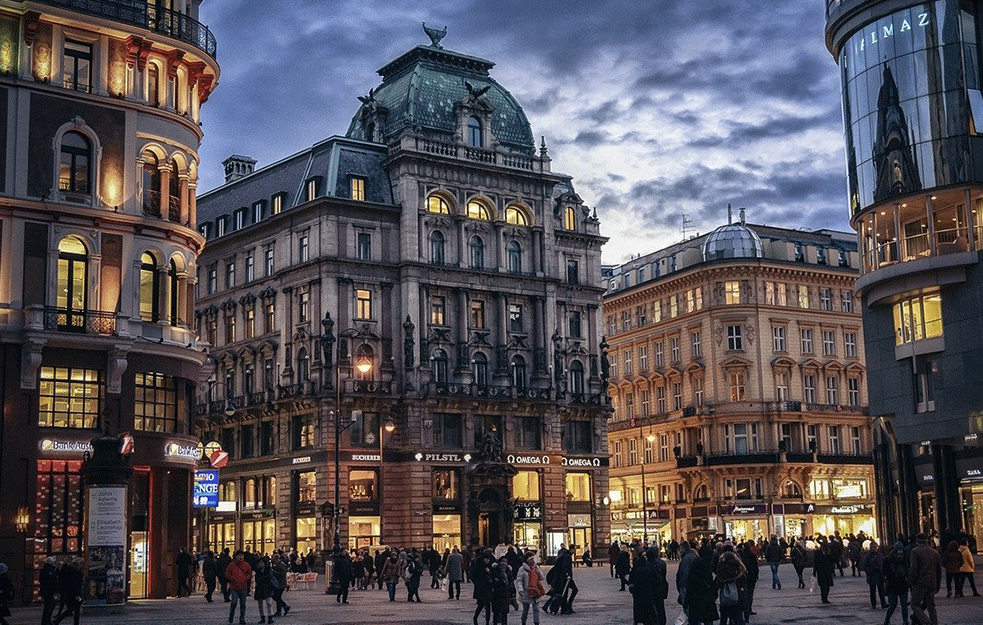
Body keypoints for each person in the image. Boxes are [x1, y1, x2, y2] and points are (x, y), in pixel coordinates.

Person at [909, 533, 941, 625]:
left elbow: (913, 568)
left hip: (920, 583)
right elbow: (938, 570)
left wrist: (912, 581)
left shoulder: (915, 551)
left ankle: (926, 622)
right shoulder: (934, 552)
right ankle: (934, 623)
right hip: (931, 582)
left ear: (917, 541)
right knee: (931, 606)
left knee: (915, 604)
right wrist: (937, 584)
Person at [714, 545, 746, 625]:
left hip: (724, 598)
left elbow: (717, 581)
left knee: (723, 619)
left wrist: (715, 594)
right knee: (739, 617)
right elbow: (743, 578)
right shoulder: (736, 565)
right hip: (736, 596)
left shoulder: (721, 565)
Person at [684, 556, 718, 625]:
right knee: (708, 619)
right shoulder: (707, 575)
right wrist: (715, 595)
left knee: (695, 620)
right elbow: (713, 586)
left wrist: (686, 603)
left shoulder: (692, 577)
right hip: (707, 601)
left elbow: (689, 591)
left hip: (695, 602)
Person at [883, 542, 910, 625]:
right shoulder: (889, 559)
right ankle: (888, 619)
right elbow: (885, 571)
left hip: (898, 584)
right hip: (895, 584)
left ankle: (904, 621)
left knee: (901, 605)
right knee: (895, 605)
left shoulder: (905, 558)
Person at [51, 558, 84, 625]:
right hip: (74, 593)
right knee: (72, 609)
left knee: (73, 609)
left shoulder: (70, 570)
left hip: (70, 592)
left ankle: (58, 620)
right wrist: (78, 594)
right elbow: (75, 583)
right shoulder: (75, 571)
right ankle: (58, 620)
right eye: (82, 563)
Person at [515, 552, 545, 625]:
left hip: (536, 591)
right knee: (525, 609)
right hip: (526, 592)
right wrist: (520, 590)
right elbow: (519, 580)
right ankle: (523, 621)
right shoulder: (522, 569)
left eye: (533, 558)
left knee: (536, 609)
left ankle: (536, 622)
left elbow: (541, 578)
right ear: (527, 560)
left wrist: (539, 572)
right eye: (531, 559)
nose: (533, 560)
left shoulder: (536, 567)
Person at [627, 548, 654, 625]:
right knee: (647, 607)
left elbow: (631, 579)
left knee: (637, 607)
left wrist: (631, 587)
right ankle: (646, 620)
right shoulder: (648, 569)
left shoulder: (636, 569)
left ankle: (637, 620)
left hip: (637, 592)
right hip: (647, 592)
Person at [225, 551, 253, 625]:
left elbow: (249, 573)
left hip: (243, 587)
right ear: (235, 556)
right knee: (234, 602)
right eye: (239, 556)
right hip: (234, 588)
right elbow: (227, 574)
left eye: (242, 556)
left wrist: (247, 578)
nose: (241, 557)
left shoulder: (246, 565)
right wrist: (232, 578)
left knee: (243, 604)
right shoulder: (231, 565)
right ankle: (231, 615)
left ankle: (242, 618)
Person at [552, 544, 577, 614]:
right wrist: (567, 575)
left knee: (565, 593)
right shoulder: (567, 556)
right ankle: (567, 607)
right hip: (566, 578)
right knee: (572, 591)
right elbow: (565, 567)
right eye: (574, 549)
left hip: (564, 577)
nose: (575, 551)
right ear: (572, 549)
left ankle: (566, 608)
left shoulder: (566, 555)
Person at [737, 541, 758, 620]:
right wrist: (756, 575)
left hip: (744, 576)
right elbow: (755, 567)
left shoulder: (741, 555)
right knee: (750, 593)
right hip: (751, 577)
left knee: (745, 594)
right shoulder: (752, 555)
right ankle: (748, 609)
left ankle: (745, 609)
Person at [862, 542, 887, 609]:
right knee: (872, 591)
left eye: (876, 547)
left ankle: (883, 603)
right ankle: (873, 603)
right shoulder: (868, 556)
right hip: (872, 576)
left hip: (879, 575)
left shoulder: (880, 555)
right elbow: (865, 566)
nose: (875, 549)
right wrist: (869, 571)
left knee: (881, 590)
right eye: (873, 547)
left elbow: (884, 563)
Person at [471, 551, 493, 625]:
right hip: (480, 588)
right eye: (486, 559)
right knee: (481, 604)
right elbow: (473, 575)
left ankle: (487, 621)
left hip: (488, 588)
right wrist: (477, 584)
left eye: (488, 559)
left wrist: (489, 572)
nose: (487, 560)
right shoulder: (478, 565)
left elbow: (492, 576)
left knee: (488, 605)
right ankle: (475, 617)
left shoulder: (490, 566)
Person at [649, 547, 669, 625]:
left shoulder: (651, 563)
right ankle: (662, 621)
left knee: (653, 606)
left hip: (654, 587)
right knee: (660, 606)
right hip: (661, 586)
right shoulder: (662, 563)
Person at [676, 540, 696, 615]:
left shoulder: (686, 558)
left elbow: (684, 572)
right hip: (689, 585)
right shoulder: (691, 555)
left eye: (680, 548)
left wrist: (681, 584)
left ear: (684, 548)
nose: (679, 550)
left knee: (686, 606)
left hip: (685, 585)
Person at [253, 559, 274, 624]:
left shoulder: (268, 570)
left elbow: (269, 578)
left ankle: (270, 617)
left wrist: (262, 579)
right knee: (260, 604)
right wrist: (263, 579)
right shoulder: (257, 571)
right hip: (260, 589)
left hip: (267, 588)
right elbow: (257, 580)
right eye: (260, 563)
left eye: (262, 563)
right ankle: (262, 617)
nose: (261, 564)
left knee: (269, 603)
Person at [40, 557, 60, 625]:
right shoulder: (48, 570)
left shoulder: (48, 569)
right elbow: (49, 581)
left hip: (48, 591)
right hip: (48, 591)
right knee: (48, 606)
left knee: (50, 606)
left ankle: (46, 620)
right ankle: (46, 621)